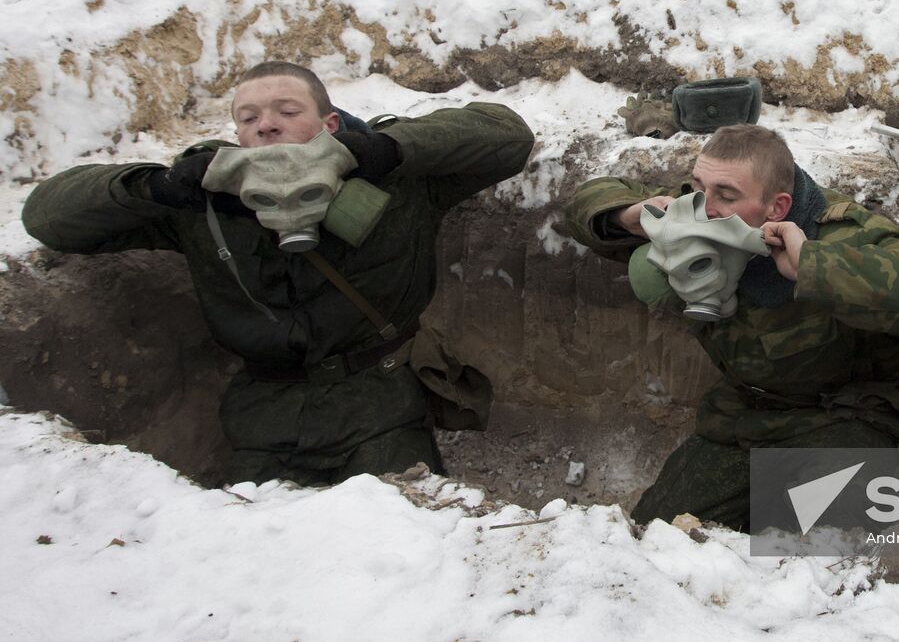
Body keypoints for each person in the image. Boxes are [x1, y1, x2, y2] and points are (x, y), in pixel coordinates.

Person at [22, 61, 534, 486]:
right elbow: (48, 218)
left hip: (378, 407)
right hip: (260, 419)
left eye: (288, 112)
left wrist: (384, 149)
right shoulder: (204, 207)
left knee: (393, 545)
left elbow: (506, 135)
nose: (266, 125)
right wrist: (157, 187)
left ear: (329, 124)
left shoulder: (397, 184)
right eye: (248, 118)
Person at [563, 123, 899, 531]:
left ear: (777, 207)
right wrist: (626, 215)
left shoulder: (842, 236)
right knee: (656, 534)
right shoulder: (705, 210)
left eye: (725, 196)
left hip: (852, 419)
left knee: (795, 556)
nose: (705, 207)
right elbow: (586, 198)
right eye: (698, 187)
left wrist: (816, 268)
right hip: (749, 416)